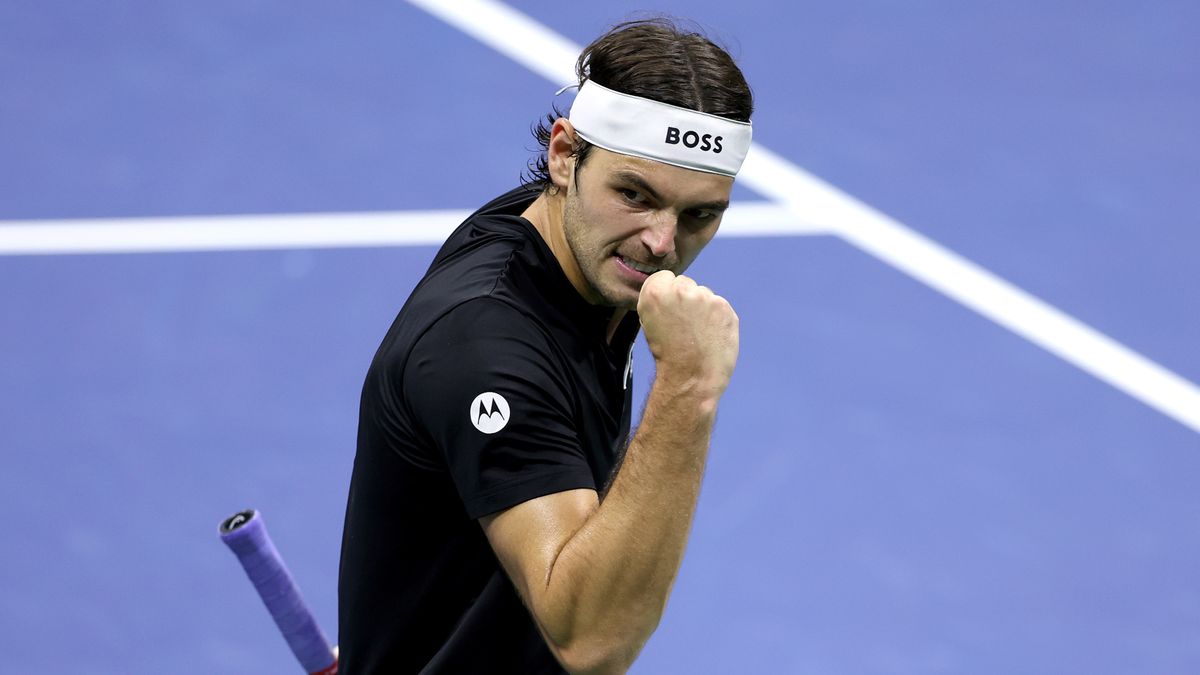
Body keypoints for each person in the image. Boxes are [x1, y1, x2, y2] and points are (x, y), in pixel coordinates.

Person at [338, 17, 754, 674]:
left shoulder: (569, 249)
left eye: (699, 213)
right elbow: (593, 641)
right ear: (565, 155)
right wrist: (689, 386)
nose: (662, 242)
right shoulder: (485, 344)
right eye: (635, 194)